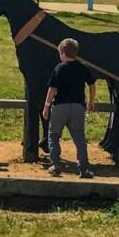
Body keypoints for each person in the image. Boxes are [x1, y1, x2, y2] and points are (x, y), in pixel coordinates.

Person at [42, 38, 96, 178]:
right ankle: (83, 169)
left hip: (60, 106)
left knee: (53, 135)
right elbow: (92, 84)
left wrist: (47, 106)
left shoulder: (59, 68)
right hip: (78, 107)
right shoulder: (83, 67)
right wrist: (91, 101)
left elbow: (52, 89)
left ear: (62, 53)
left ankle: (56, 165)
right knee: (79, 138)